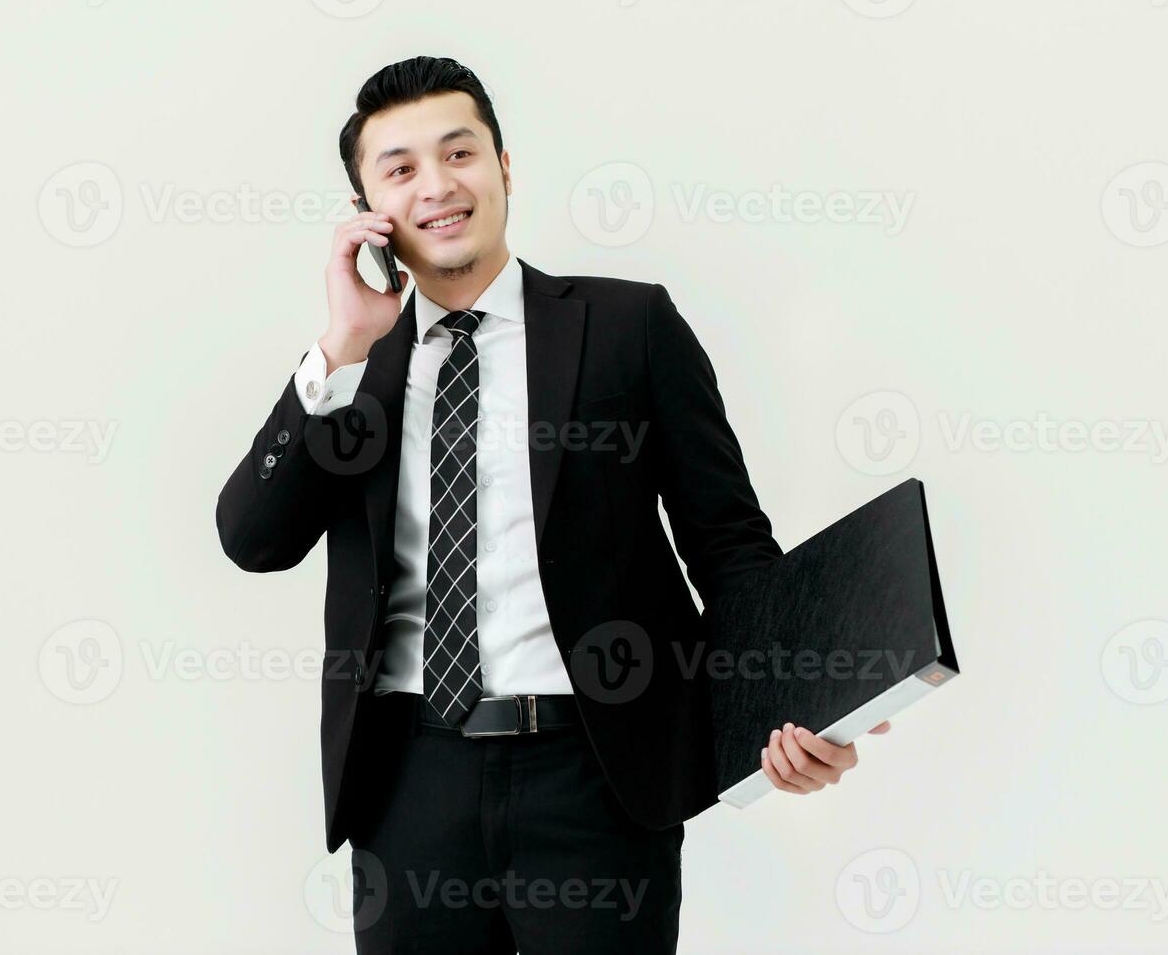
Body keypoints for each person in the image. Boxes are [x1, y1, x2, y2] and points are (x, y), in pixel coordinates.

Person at [215, 55, 889, 954]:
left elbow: (728, 547)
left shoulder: (626, 326)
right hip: (407, 781)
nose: (437, 185)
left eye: (460, 153)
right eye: (401, 168)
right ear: (368, 209)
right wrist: (338, 346)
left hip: (596, 775)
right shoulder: (353, 373)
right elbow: (252, 540)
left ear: (503, 169)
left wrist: (799, 703)